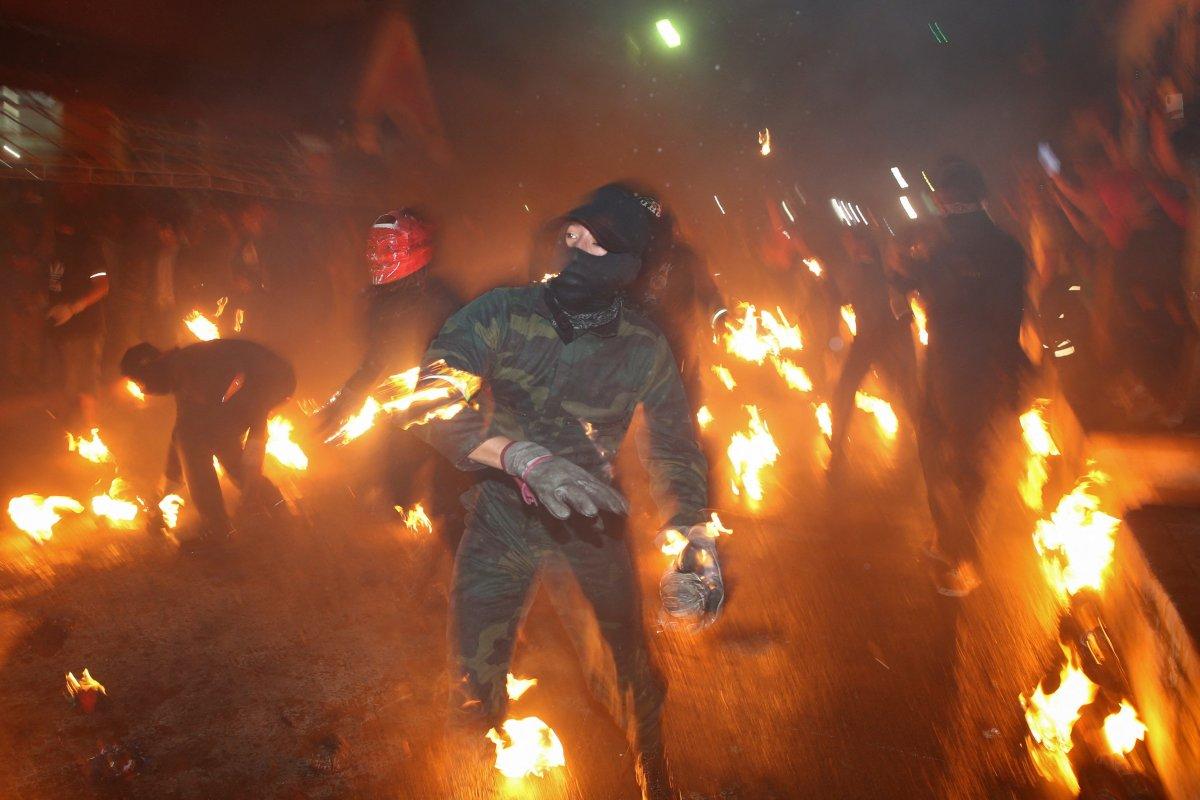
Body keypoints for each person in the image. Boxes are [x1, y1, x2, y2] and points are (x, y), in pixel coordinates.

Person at [412, 183, 714, 799]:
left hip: (590, 531)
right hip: (500, 522)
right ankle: (473, 780)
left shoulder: (644, 347)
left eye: (595, 242)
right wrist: (517, 455)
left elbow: (677, 451)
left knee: (627, 678)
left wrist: (693, 545)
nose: (573, 249)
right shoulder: (501, 313)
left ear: (628, 265)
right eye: (571, 234)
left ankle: (655, 779)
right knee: (472, 682)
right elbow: (425, 398)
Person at [894, 159, 1028, 597]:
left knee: (953, 458)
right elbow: (1011, 315)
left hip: (960, 365)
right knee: (949, 453)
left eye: (942, 196)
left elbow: (929, 289)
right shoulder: (1007, 248)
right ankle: (947, 539)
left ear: (951, 199)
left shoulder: (952, 247)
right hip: (968, 364)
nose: (938, 203)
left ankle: (963, 557)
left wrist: (904, 268)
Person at [313, 208, 459, 511]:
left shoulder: (443, 299)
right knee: (398, 477)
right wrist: (349, 396)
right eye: (375, 248)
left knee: (450, 487)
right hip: (406, 401)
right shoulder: (381, 304)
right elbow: (378, 356)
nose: (379, 257)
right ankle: (406, 506)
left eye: (387, 248)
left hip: (452, 403)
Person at [119, 339, 296, 549]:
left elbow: (251, 402)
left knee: (199, 440)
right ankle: (273, 503)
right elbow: (181, 434)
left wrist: (251, 479)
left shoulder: (191, 369)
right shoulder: (181, 371)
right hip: (267, 382)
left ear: (148, 369)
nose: (143, 391)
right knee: (207, 437)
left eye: (139, 383)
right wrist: (161, 500)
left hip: (271, 380)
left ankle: (219, 532)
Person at [827, 227, 919, 476]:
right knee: (845, 389)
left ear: (863, 243)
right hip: (867, 339)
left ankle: (925, 442)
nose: (848, 247)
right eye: (846, 243)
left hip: (888, 339)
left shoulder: (883, 266)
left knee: (908, 391)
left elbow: (906, 286)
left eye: (851, 242)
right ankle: (837, 445)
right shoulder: (856, 269)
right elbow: (841, 297)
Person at [629, 204, 727, 414]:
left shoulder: (685, 257)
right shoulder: (637, 258)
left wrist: (720, 317)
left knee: (685, 403)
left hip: (680, 346)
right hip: (645, 346)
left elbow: (708, 292)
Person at [46, 217, 109, 431]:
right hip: (61, 330)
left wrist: (74, 308)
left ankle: (90, 430)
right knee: (67, 381)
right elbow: (52, 286)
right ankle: (72, 432)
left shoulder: (88, 251)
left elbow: (102, 287)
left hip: (87, 329)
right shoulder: (54, 254)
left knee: (86, 381)